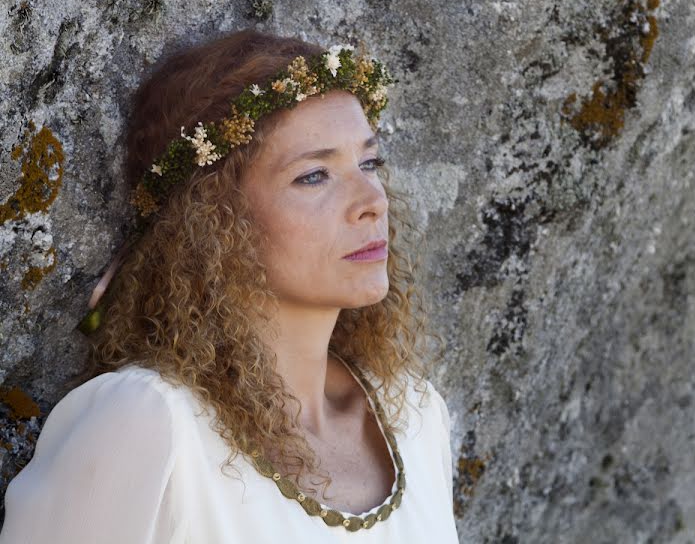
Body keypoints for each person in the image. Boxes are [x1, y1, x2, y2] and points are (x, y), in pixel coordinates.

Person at [0, 29, 460, 543]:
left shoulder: (415, 414)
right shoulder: (149, 421)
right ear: (213, 221)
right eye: (314, 176)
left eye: (369, 162)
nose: (373, 198)